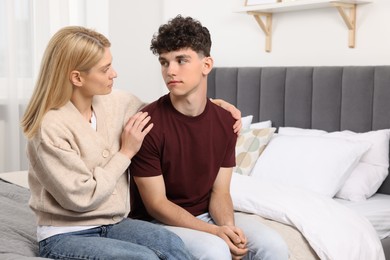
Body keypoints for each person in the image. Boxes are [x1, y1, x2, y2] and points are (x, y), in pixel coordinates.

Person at [20, 26, 195, 260]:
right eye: (105, 69)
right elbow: (82, 198)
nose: (114, 74)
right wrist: (126, 152)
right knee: (143, 258)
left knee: (171, 244)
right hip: (65, 234)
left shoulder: (117, 102)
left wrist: (217, 106)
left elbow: (164, 115)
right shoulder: (49, 126)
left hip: (113, 224)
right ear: (77, 77)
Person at [129, 15, 289, 260]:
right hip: (157, 221)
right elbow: (156, 204)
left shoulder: (226, 121)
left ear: (206, 65)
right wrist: (215, 233)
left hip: (206, 214)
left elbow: (220, 192)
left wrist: (228, 228)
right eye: (164, 62)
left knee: (274, 245)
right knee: (215, 250)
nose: (170, 71)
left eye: (181, 60)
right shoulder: (148, 123)